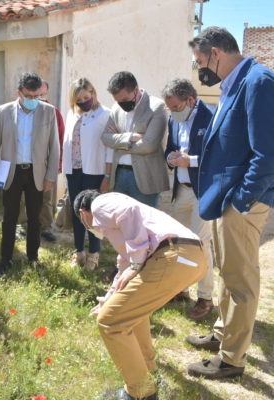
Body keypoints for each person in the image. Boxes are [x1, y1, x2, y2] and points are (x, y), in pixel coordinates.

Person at [185, 26, 274, 380]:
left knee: (240, 282)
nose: (200, 69)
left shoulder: (259, 82)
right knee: (228, 274)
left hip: (242, 203)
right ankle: (223, 333)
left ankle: (231, 359)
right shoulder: (235, 83)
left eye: (200, 61)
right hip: (225, 200)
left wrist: (240, 201)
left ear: (216, 53)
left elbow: (267, 154)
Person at [74, 189, 207, 400]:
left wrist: (136, 263)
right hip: (191, 257)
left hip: (173, 256)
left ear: (83, 212)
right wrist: (109, 299)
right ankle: (148, 371)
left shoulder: (100, 204)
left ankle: (140, 392)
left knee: (110, 321)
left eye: (83, 221)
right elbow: (125, 268)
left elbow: (130, 211)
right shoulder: (125, 230)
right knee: (130, 311)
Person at [0, 72, 59, 274]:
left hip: (37, 173)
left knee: (35, 218)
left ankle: (33, 258)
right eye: (29, 96)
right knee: (10, 217)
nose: (33, 100)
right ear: (19, 93)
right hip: (11, 173)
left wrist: (51, 176)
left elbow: (55, 146)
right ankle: (5, 260)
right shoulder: (4, 111)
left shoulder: (48, 112)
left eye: (37, 96)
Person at [161, 78, 215, 320]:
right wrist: (171, 158)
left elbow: (217, 156)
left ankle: (205, 298)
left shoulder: (211, 116)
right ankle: (182, 290)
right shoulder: (175, 119)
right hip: (180, 189)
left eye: (174, 107)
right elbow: (170, 147)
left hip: (202, 191)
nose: (172, 113)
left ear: (190, 100)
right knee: (181, 242)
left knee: (201, 245)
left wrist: (190, 161)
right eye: (169, 109)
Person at [62, 77, 113, 270]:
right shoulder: (72, 114)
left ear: (93, 92)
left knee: (93, 214)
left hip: (94, 170)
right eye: (79, 99)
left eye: (87, 96)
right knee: (77, 212)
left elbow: (110, 148)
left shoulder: (105, 114)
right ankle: (79, 253)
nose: (84, 101)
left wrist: (107, 175)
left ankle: (94, 254)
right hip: (73, 170)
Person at [101, 71, 169, 208]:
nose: (121, 104)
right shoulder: (116, 108)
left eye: (125, 100)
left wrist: (119, 145)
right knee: (122, 224)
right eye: (118, 101)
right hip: (119, 175)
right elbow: (105, 138)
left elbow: (149, 145)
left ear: (136, 89)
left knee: (143, 226)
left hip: (144, 178)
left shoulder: (156, 107)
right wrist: (131, 137)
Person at [17, 79, 65, 242]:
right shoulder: (21, 110)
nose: (38, 98)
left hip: (44, 165)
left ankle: (45, 227)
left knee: (45, 199)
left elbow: (59, 140)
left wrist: (57, 164)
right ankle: (23, 226)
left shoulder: (52, 112)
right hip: (23, 164)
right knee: (22, 198)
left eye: (41, 94)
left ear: (46, 93)